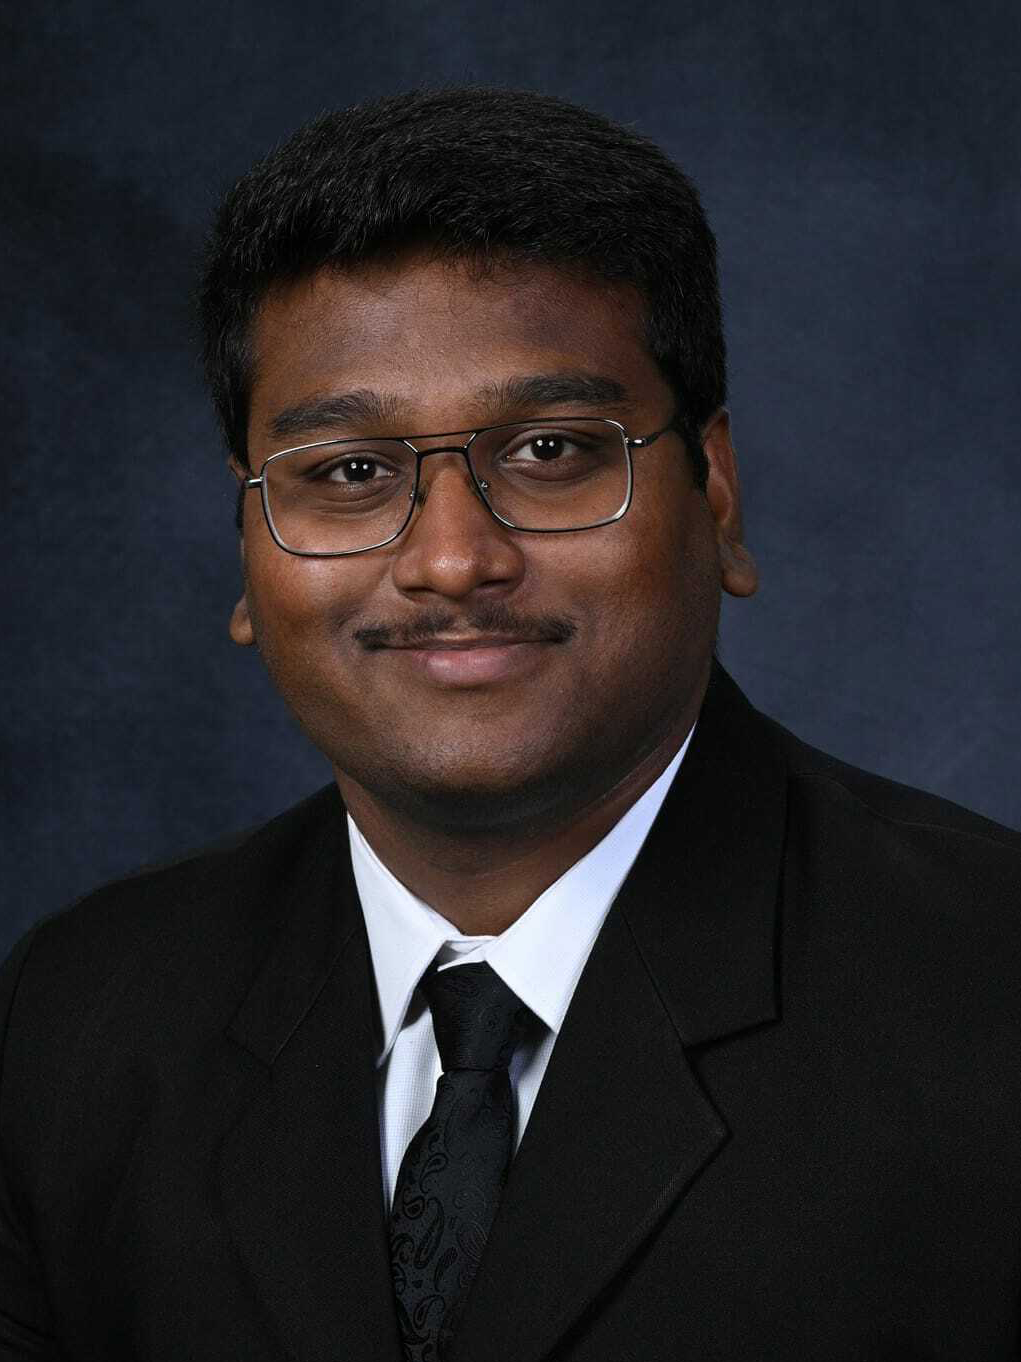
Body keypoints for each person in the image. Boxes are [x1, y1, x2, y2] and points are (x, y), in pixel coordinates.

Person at [1, 86, 1019, 1362]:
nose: (449, 561)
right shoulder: (80, 1021)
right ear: (249, 542)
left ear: (716, 496)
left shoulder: (989, 1003)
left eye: (549, 450)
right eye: (348, 473)